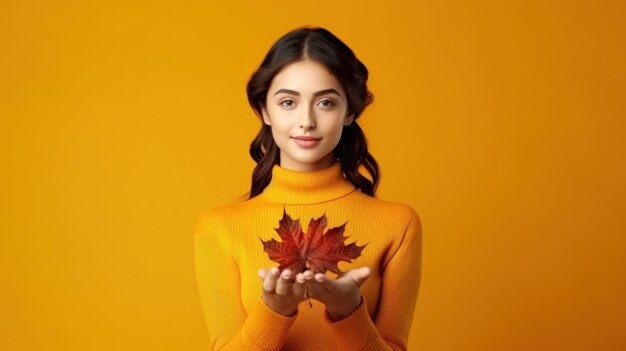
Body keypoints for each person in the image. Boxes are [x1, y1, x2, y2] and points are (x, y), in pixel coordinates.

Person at [193, 25, 422, 351]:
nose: (306, 121)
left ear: (349, 112)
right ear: (264, 111)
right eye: (288, 102)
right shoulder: (217, 228)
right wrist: (274, 310)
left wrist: (349, 312)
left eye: (325, 103)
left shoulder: (398, 224)